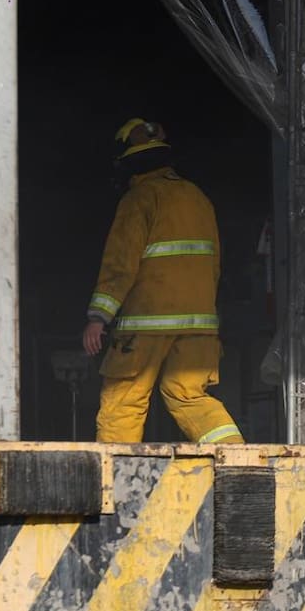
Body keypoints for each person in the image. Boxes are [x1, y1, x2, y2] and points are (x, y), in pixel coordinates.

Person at [82, 118, 244, 445]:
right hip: (199, 324)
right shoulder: (197, 197)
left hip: (147, 322)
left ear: (129, 164)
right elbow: (213, 263)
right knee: (189, 396)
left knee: (124, 398)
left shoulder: (139, 198)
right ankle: (238, 463)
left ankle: (117, 478)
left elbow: (120, 263)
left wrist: (99, 317)